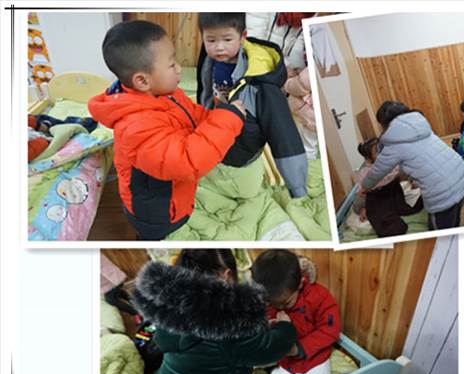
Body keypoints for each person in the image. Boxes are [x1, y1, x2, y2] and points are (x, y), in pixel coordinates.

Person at [88, 21, 246, 240]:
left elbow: (194, 116)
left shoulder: (167, 93)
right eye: (172, 64)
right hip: (156, 215)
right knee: (158, 239)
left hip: (175, 196)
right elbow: (187, 161)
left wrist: (220, 116)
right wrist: (228, 120)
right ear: (142, 81)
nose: (179, 68)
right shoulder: (136, 127)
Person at [131, 249, 298, 374]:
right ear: (226, 275)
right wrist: (285, 327)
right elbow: (267, 349)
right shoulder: (226, 323)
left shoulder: (171, 307)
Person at [196, 13, 308, 198]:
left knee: (242, 187)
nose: (219, 47)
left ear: (243, 36)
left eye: (227, 39)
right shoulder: (210, 59)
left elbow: (282, 131)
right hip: (216, 124)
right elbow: (206, 88)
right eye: (211, 40)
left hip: (241, 146)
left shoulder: (260, 82)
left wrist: (297, 186)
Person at [359, 101, 464, 231]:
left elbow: (377, 170)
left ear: (384, 124)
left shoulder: (394, 142)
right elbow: (421, 161)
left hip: (442, 191)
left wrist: (365, 186)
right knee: (454, 219)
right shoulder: (421, 127)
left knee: (438, 231)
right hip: (460, 177)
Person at [252, 250, 340, 374]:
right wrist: (268, 326)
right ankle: (274, 373)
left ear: (300, 283)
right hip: (286, 361)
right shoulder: (265, 302)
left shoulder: (320, 297)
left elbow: (330, 330)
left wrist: (299, 348)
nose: (280, 308)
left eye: (286, 303)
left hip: (316, 356)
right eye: (273, 304)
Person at [353, 138, 423, 237]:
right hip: (378, 202)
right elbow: (362, 193)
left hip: (395, 196)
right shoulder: (366, 173)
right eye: (378, 151)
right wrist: (362, 208)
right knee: (391, 227)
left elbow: (403, 172)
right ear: (369, 159)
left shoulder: (391, 163)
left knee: (412, 207)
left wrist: (412, 180)